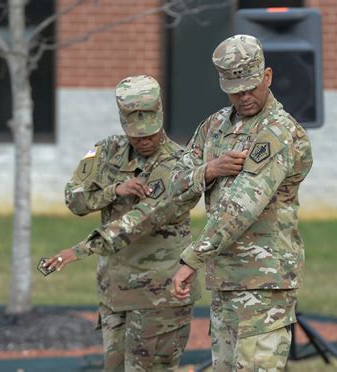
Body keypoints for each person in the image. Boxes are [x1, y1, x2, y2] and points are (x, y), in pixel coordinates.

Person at [170, 34, 313, 371]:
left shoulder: (278, 132)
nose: (245, 97)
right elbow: (174, 184)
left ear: (268, 77)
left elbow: (243, 204)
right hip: (225, 280)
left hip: (264, 283)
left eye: (251, 87)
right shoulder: (215, 127)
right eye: (236, 91)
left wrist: (193, 258)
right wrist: (209, 170)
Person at [44, 75, 200, 371]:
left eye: (150, 133)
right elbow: (73, 198)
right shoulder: (105, 152)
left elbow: (141, 221)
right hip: (115, 292)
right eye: (136, 134)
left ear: (161, 118)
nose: (144, 141)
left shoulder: (181, 164)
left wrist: (79, 250)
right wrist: (112, 191)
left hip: (160, 295)